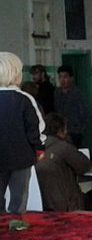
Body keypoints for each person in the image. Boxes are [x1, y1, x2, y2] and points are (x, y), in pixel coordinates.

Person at [0, 52, 44, 213]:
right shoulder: (24, 98)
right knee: (19, 199)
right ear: (15, 74)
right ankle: (16, 223)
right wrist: (39, 148)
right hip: (22, 156)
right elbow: (35, 127)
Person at [35, 113, 92, 211]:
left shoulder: (35, 149)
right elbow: (85, 166)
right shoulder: (64, 147)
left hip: (42, 203)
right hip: (66, 204)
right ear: (61, 130)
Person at [54, 65, 87, 148]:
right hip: (59, 130)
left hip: (74, 130)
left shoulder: (77, 93)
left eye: (65, 77)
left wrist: (79, 128)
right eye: (60, 77)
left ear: (71, 78)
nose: (62, 80)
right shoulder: (56, 92)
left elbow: (83, 112)